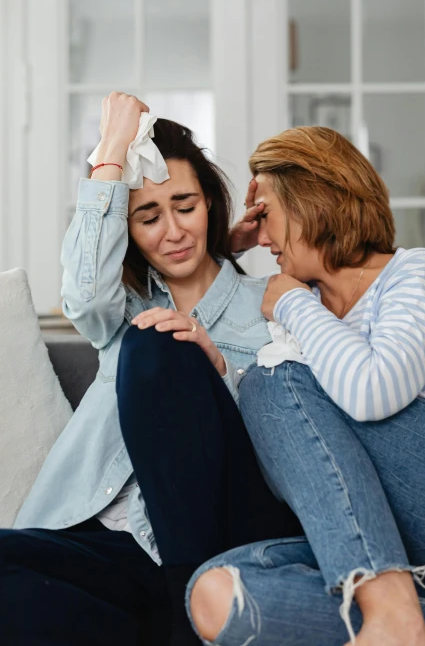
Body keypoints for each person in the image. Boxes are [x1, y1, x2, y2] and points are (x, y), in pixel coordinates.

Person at [188, 126, 425, 646]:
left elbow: (373, 392)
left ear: (311, 201)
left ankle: (391, 611)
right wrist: (223, 251)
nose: (264, 238)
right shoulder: (307, 313)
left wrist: (295, 305)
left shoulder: (416, 273)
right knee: (218, 592)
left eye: (268, 214)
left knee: (269, 380)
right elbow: (298, 447)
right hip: (415, 547)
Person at [0, 93, 298, 646]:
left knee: (160, 341)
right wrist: (111, 148)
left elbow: (303, 435)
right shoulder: (120, 311)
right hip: (109, 547)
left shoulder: (274, 306)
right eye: (148, 216)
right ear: (129, 230)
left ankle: (194, 608)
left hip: (221, 543)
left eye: (185, 206)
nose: (173, 232)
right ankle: (164, 626)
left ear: (211, 203)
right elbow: (84, 294)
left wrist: (221, 370)